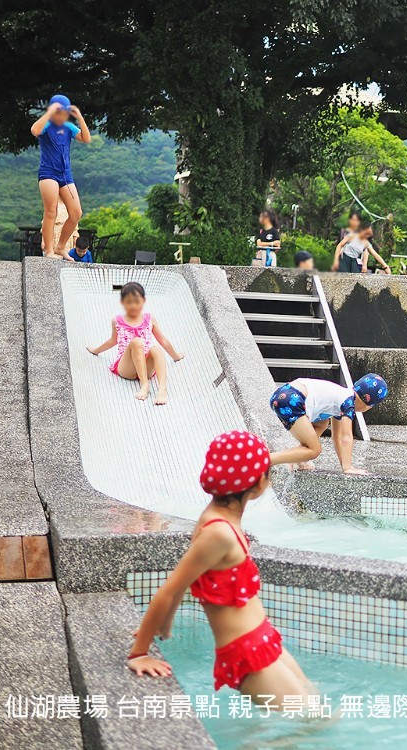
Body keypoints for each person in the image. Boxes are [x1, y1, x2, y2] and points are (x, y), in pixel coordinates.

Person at [127, 430, 319, 707]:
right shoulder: (219, 533)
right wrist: (140, 652)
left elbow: (194, 581)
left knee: (316, 707)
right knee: (308, 721)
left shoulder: (221, 518)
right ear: (259, 485)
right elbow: (171, 589)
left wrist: (164, 625)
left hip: (262, 636)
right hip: (245, 651)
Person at [87, 281, 184, 405]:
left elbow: (163, 341)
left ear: (143, 301)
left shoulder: (150, 319)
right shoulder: (117, 320)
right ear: (123, 302)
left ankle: (162, 389)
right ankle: (144, 385)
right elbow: (113, 340)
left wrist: (176, 356)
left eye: (136, 302)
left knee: (156, 349)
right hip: (126, 367)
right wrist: (96, 351)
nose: (133, 305)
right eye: (129, 302)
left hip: (145, 364)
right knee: (137, 342)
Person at [269, 375, 388, 475]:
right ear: (368, 404)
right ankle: (266, 459)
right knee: (314, 450)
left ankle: (298, 458)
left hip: (283, 393)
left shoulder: (341, 396)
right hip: (291, 400)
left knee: (322, 423)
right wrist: (348, 468)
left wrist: (344, 465)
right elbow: (346, 437)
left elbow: (337, 436)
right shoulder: (348, 403)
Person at [30, 94, 90, 259]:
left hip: (65, 174)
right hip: (48, 173)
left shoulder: (69, 127)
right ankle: (49, 250)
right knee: (51, 211)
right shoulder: (46, 125)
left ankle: (60, 247)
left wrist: (79, 117)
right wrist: (49, 113)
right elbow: (34, 130)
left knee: (76, 212)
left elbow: (86, 138)